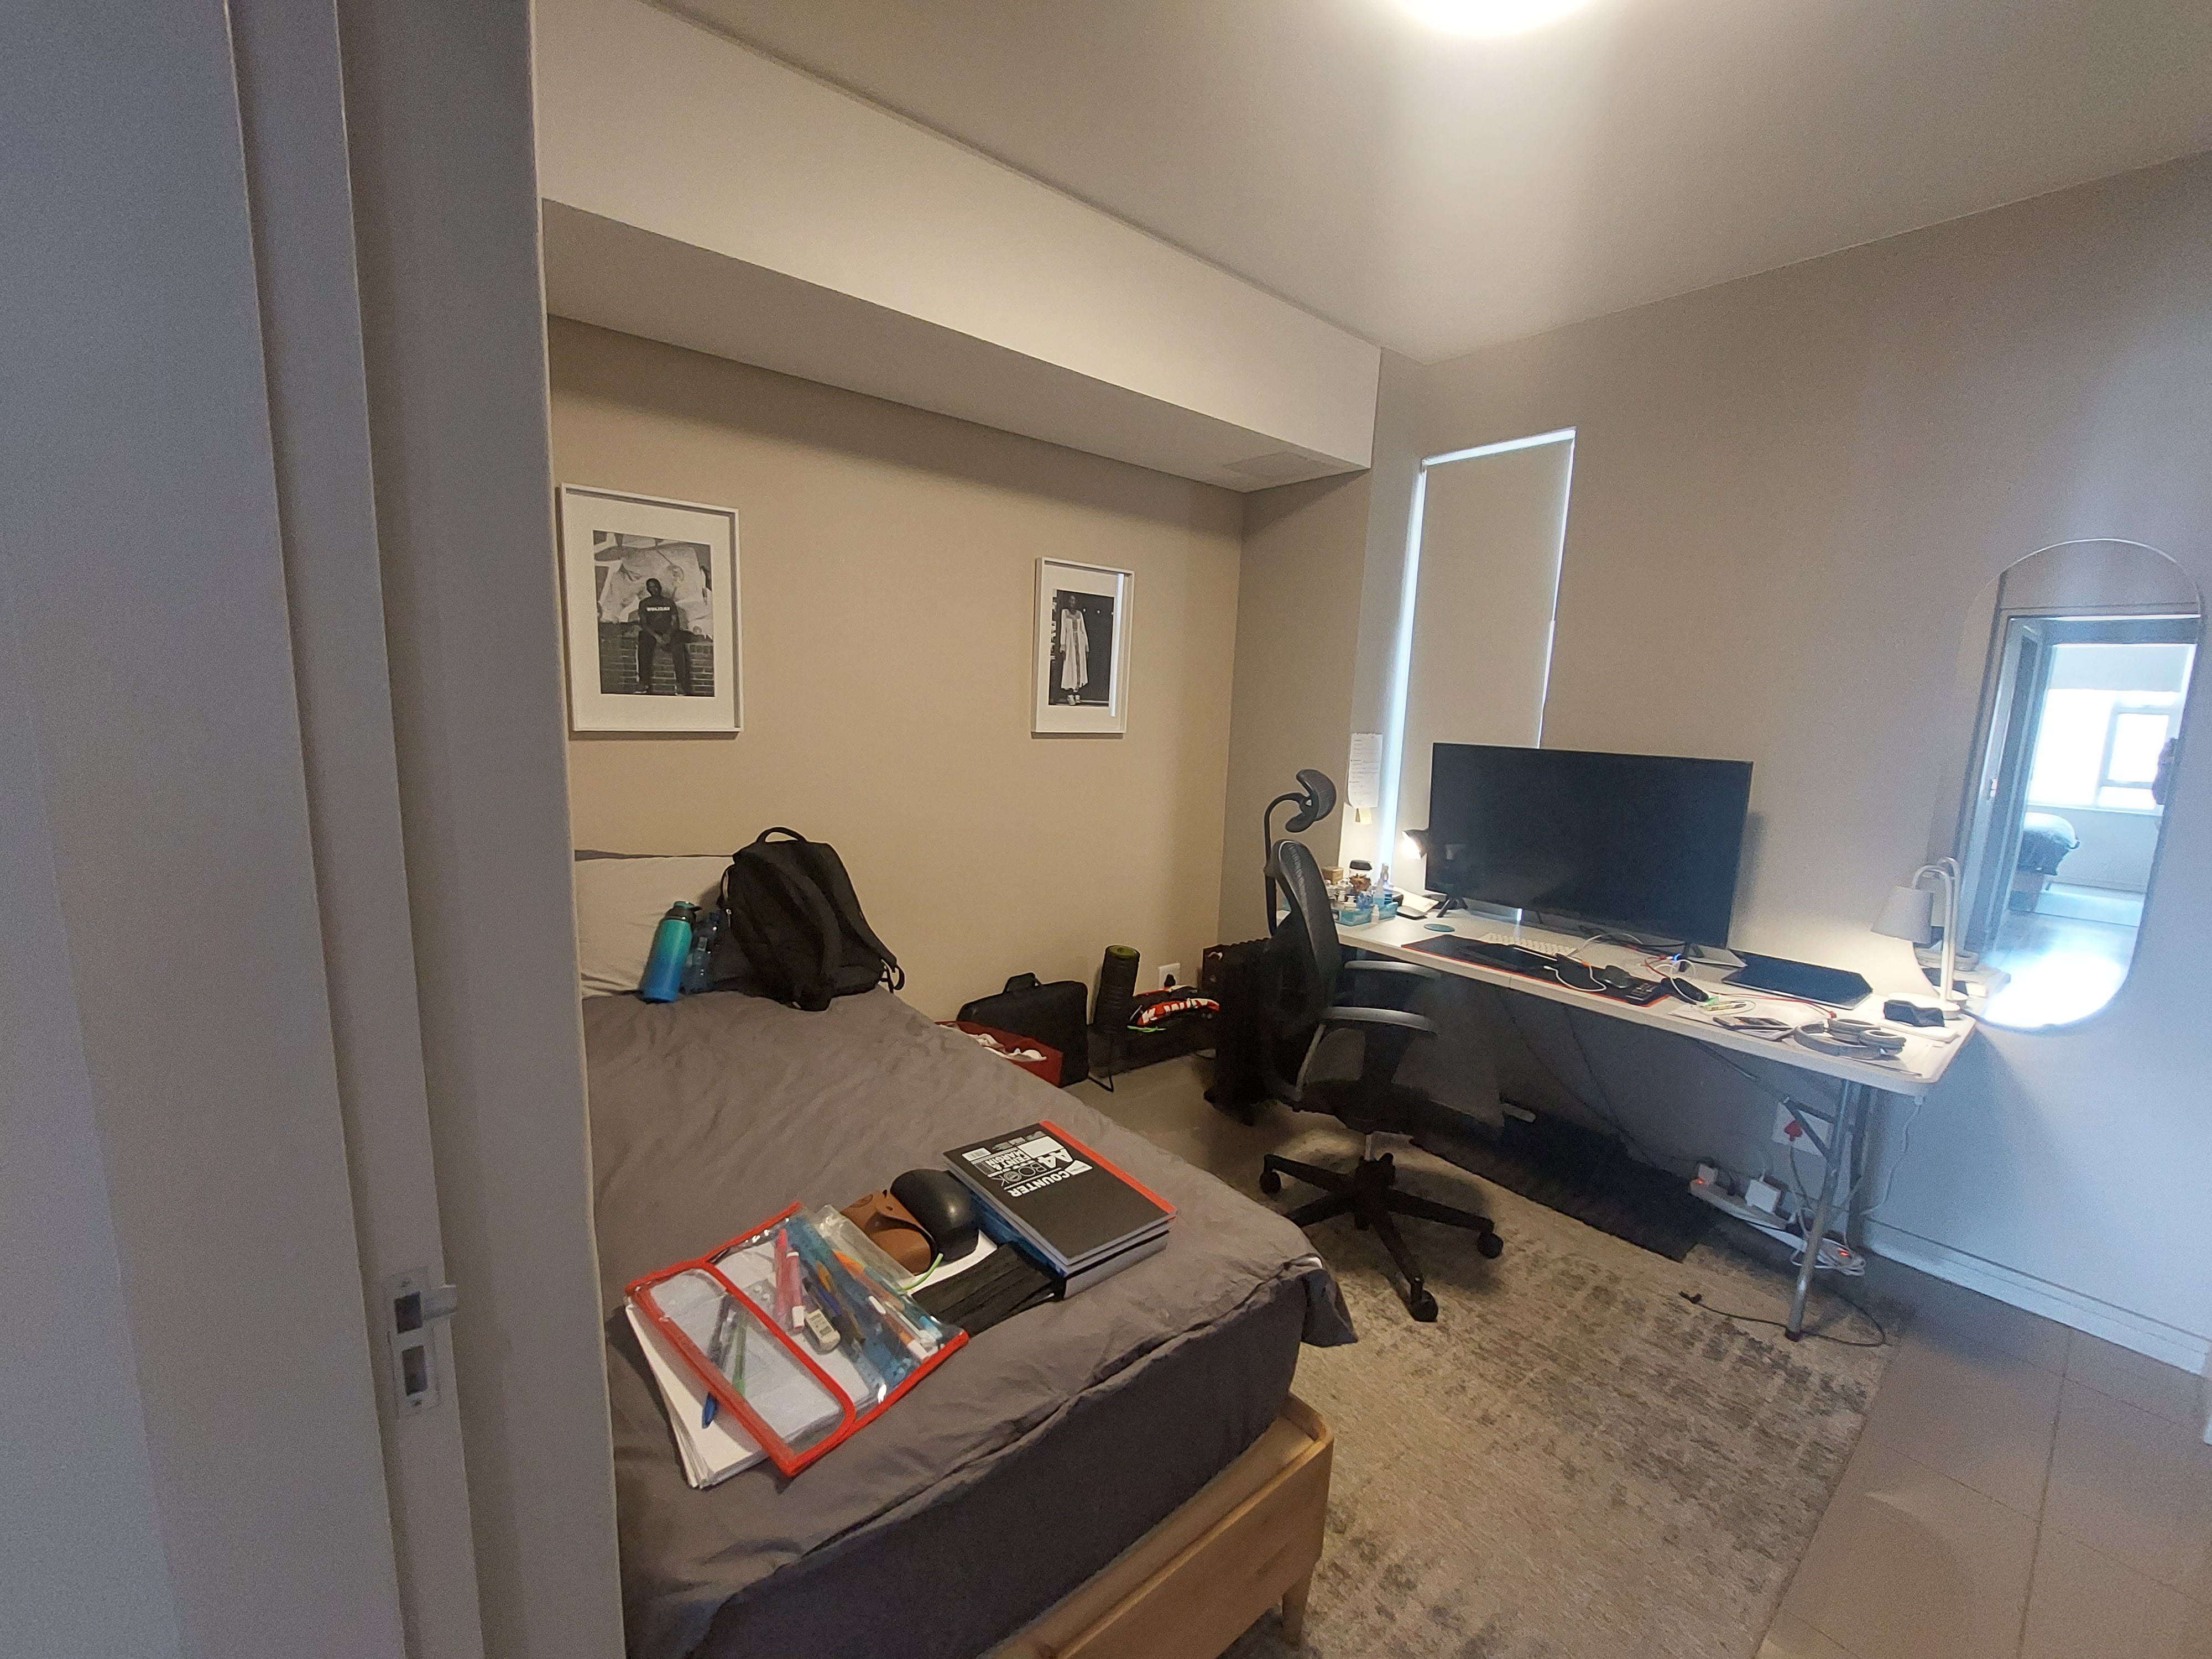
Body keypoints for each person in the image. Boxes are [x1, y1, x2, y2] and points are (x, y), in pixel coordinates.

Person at [633, 577, 690, 695]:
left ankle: (680, 684)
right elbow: (644, 625)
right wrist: (656, 637)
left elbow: (675, 622)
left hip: (668, 633)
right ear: (648, 589)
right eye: (651, 587)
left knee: (679, 647)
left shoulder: (669, 602)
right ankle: (643, 683)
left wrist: (668, 635)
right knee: (643, 645)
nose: (654, 589)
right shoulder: (644, 603)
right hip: (651, 634)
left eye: (656, 586)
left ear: (660, 587)